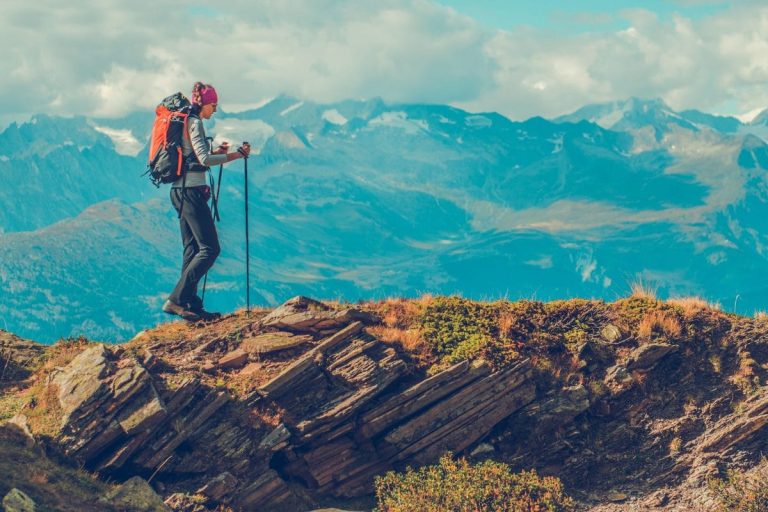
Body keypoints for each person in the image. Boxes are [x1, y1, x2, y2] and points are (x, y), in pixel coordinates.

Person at [162, 82, 251, 321]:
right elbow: (203, 159)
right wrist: (235, 155)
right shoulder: (195, 122)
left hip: (179, 191)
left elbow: (194, 152)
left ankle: (190, 303)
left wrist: (216, 149)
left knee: (192, 250)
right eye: (214, 105)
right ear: (205, 104)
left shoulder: (186, 121)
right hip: (191, 192)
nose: (215, 110)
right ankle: (176, 300)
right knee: (210, 248)